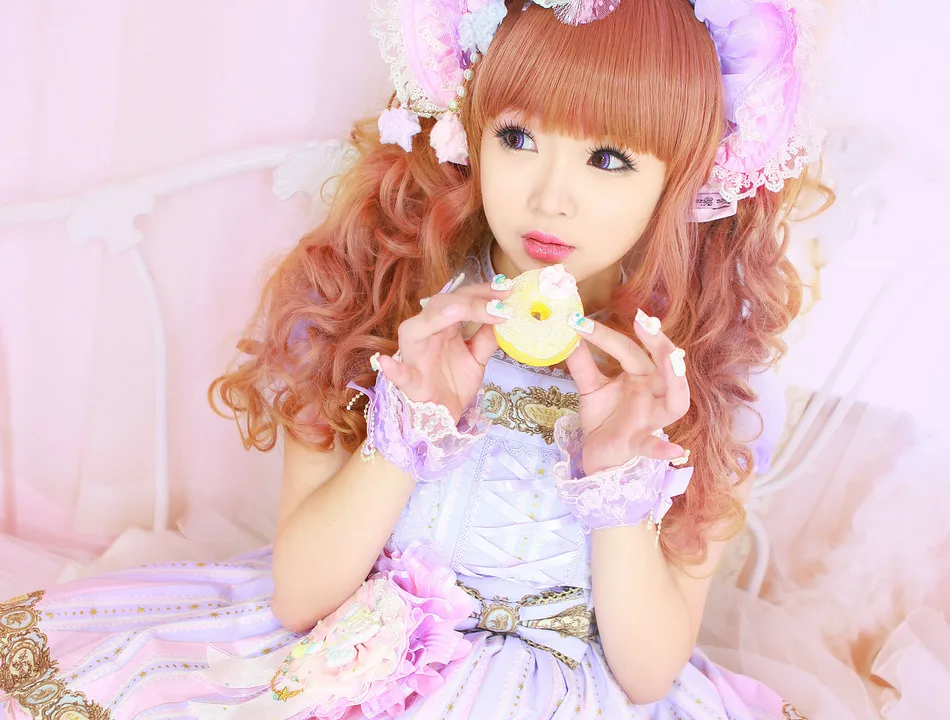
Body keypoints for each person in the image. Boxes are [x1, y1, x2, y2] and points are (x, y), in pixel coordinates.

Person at [0, 0, 825, 718]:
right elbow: (301, 597)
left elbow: (647, 674)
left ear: (682, 180)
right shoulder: (379, 299)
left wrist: (618, 476)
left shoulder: (692, 380)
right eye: (517, 135)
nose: (550, 196)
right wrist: (408, 430)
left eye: (609, 158)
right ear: (472, 129)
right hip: (354, 655)